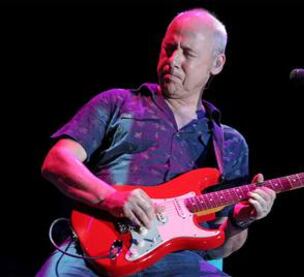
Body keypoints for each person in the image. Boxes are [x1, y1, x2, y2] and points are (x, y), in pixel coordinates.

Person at [37, 8, 276, 277]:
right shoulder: (117, 103)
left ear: (216, 64)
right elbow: (57, 161)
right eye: (169, 48)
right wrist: (111, 197)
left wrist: (242, 220)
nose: (173, 60)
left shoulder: (230, 144)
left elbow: (219, 247)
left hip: (178, 262)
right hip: (97, 249)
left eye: (188, 53)